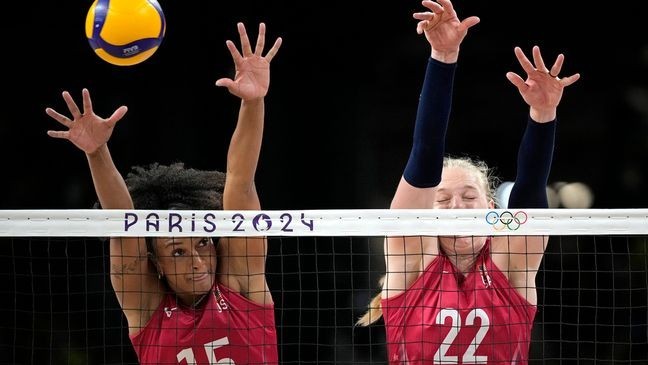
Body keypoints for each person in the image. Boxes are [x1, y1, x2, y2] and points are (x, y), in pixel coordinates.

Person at [356, 0, 580, 364]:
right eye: (442, 200)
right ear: (426, 214)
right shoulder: (410, 263)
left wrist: (543, 115)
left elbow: (530, 188)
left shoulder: (511, 265)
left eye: (468, 196)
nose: (457, 207)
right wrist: (443, 58)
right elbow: (425, 152)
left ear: (491, 209)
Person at [45, 22, 282, 365]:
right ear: (155, 263)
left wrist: (254, 103)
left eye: (202, 242)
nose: (198, 260)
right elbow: (122, 223)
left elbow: (240, 181)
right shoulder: (147, 310)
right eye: (178, 251)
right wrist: (97, 153)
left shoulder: (241, 284)